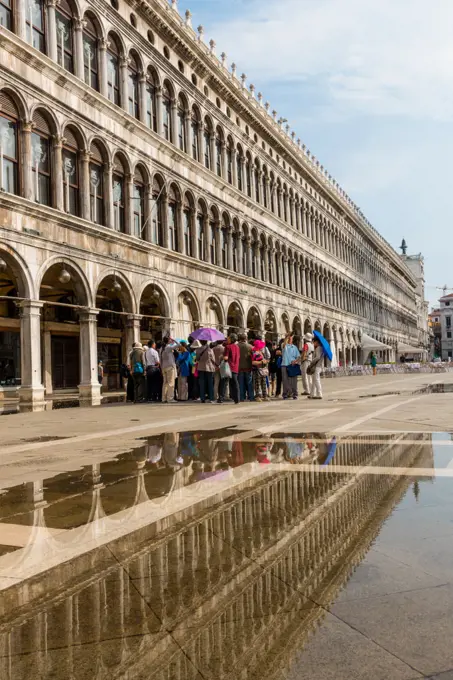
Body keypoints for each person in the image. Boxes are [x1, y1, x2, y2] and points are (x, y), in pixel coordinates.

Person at [219, 333, 240, 404]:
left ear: (231, 339)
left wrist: (222, 357)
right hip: (236, 367)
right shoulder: (237, 347)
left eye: (228, 338)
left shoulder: (228, 347)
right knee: (235, 383)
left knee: (224, 383)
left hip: (228, 367)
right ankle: (237, 398)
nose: (227, 340)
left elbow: (226, 358)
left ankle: (221, 398)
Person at [281, 334, 301, 399]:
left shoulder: (294, 347)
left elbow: (298, 356)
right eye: (288, 338)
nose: (290, 339)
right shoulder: (284, 346)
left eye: (291, 338)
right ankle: (285, 393)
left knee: (294, 381)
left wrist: (295, 361)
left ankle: (295, 393)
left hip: (292, 365)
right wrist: (287, 337)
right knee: (285, 380)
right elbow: (284, 344)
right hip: (284, 364)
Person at [160, 337, 178, 403]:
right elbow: (179, 345)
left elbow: (160, 359)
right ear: (168, 341)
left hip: (164, 367)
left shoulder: (162, 348)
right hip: (170, 366)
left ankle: (163, 398)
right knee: (171, 383)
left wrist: (161, 367)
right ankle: (170, 398)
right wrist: (174, 340)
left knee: (165, 383)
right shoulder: (168, 347)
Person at [238, 333, 254, 402]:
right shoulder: (250, 346)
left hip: (239, 367)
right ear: (246, 339)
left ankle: (241, 397)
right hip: (248, 367)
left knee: (241, 383)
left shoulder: (236, 346)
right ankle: (251, 397)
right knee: (249, 383)